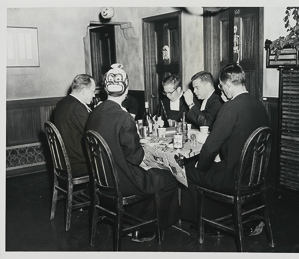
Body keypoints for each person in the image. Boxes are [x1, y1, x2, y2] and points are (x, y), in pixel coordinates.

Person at [86, 63, 179, 242]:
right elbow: (135, 157)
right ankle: (148, 228)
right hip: (122, 182)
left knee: (151, 174)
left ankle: (134, 221)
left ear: (105, 88)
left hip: (102, 179)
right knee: (167, 177)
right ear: (126, 88)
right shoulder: (124, 117)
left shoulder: (95, 112)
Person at [180, 63, 269, 232]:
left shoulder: (230, 108)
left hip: (233, 177)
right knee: (211, 166)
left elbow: (211, 146)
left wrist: (202, 166)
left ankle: (204, 223)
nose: (221, 91)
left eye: (221, 86)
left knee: (189, 170)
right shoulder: (260, 106)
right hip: (253, 175)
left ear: (228, 85)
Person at [54, 74, 96, 177]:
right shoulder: (77, 107)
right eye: (93, 91)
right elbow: (94, 135)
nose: (94, 95)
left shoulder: (62, 102)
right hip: (78, 164)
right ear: (84, 91)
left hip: (64, 162)